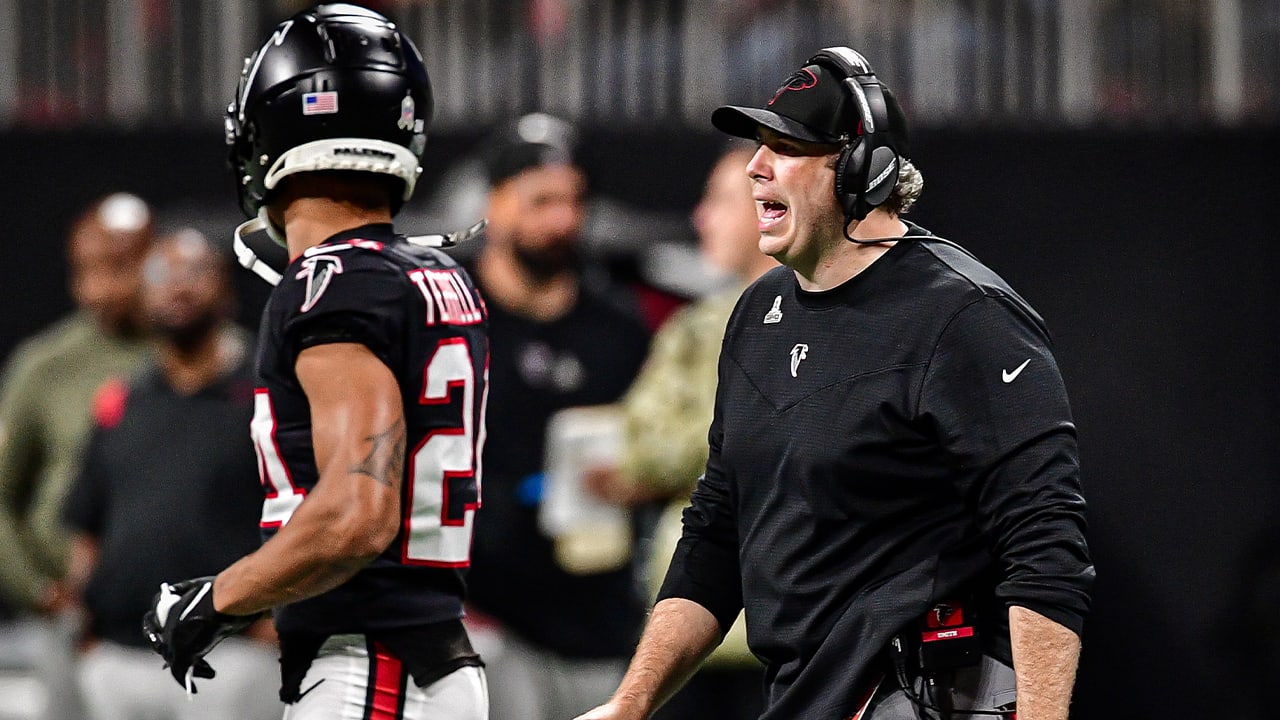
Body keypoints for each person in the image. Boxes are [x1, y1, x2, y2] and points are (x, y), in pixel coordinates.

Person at [576, 47, 1093, 720]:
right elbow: (717, 531)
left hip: (929, 696)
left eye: (785, 147)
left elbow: (1044, 540)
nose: (755, 167)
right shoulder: (755, 316)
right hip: (804, 695)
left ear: (860, 170)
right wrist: (632, 702)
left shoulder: (964, 316)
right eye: (756, 146)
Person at [142, 5, 490, 719]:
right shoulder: (429, 274)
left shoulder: (333, 283)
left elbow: (356, 515)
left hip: (374, 668)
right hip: (417, 662)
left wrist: (217, 599)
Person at [460, 113, 652, 720]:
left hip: (597, 616)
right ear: (495, 202)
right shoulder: (446, 316)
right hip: (479, 620)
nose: (562, 220)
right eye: (540, 200)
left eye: (573, 201)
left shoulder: (617, 327)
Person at [582, 142, 774, 720]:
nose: (700, 218)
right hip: (705, 624)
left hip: (771, 627)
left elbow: (660, 450)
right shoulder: (697, 323)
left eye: (720, 200)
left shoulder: (818, 323)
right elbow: (643, 441)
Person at [63, 230, 281, 720]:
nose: (178, 286)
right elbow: (88, 522)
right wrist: (84, 623)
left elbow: (308, 512)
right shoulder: (121, 402)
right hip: (119, 655)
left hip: (229, 658)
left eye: (196, 272)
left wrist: (284, 615)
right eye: (162, 274)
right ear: (143, 296)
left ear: (226, 292)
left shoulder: (268, 396)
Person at [0, 191, 155, 720]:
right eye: (86, 269)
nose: (101, 287)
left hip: (190, 617)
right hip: (71, 615)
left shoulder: (206, 359)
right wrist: (37, 590)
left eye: (120, 267)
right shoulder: (44, 365)